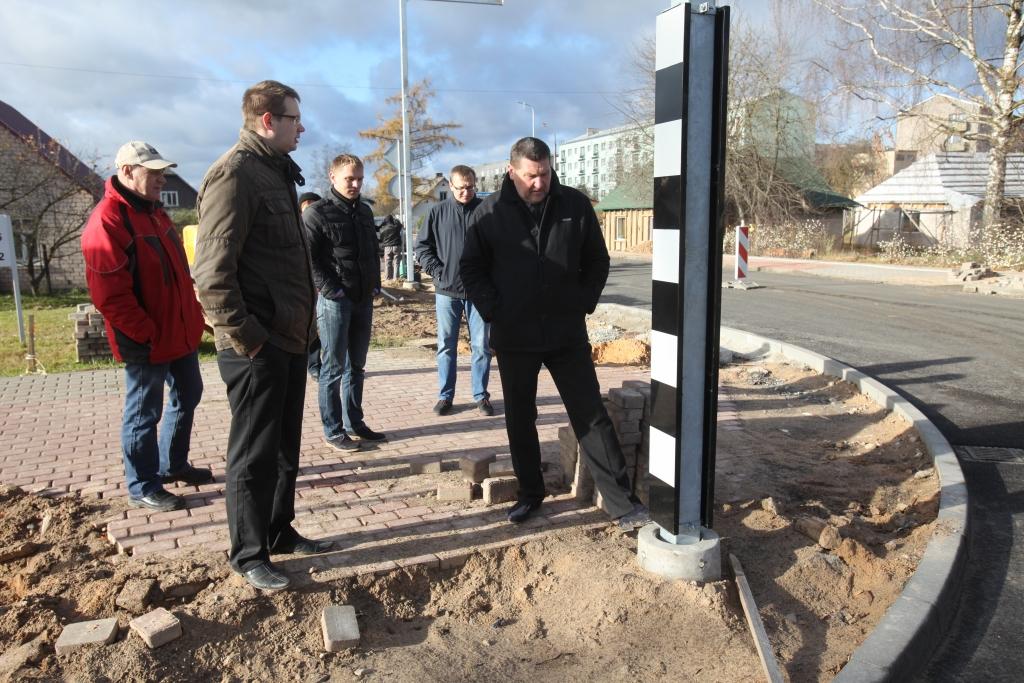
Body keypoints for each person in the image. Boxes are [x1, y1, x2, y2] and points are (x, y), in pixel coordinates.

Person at [460, 137, 649, 528]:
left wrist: (583, 301)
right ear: (512, 171)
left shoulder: (574, 205)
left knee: (590, 415)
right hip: (515, 335)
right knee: (520, 417)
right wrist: (495, 310)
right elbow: (471, 269)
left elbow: (598, 259)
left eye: (544, 173)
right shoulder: (489, 213)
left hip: (565, 332)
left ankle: (622, 503)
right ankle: (531, 494)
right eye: (531, 176)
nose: (539, 183)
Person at [193, 80, 334, 593]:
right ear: (268, 121)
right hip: (257, 345)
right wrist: (250, 337)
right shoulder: (234, 175)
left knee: (282, 447)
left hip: (288, 338)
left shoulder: (275, 172)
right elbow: (211, 276)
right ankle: (248, 552)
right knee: (252, 453)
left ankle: (278, 530)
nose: (303, 127)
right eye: (295, 118)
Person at [81, 141, 212, 513]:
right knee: (143, 413)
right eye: (152, 172)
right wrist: (147, 332)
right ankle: (142, 484)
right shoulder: (108, 220)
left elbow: (178, 275)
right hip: (146, 340)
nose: (161, 178)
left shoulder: (155, 212)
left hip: (179, 332)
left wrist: (193, 317)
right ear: (126, 172)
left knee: (189, 393)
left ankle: (173, 466)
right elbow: (110, 295)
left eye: (162, 171)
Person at [303, 153, 385, 452]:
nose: (355, 184)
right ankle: (333, 429)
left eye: (360, 179)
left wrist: (375, 284)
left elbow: (372, 251)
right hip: (335, 302)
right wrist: (330, 290)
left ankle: (355, 423)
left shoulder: (363, 211)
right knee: (333, 367)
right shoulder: (317, 213)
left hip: (363, 299)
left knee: (357, 366)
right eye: (350, 178)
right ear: (333, 176)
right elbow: (309, 259)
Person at [414, 165, 492, 417]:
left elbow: (500, 247)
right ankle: (445, 396)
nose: (466, 192)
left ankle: (480, 395)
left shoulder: (486, 211)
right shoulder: (437, 212)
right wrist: (437, 272)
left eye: (470, 187)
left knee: (481, 346)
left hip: (479, 292)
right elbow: (422, 247)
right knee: (446, 346)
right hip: (447, 291)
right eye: (461, 188)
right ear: (450, 185)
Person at [378, 214, 404, 280]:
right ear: (392, 220)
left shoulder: (382, 229)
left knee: (387, 263)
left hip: (387, 248)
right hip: (396, 246)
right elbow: (400, 224)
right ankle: (396, 279)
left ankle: (388, 278)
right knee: (396, 263)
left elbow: (381, 239)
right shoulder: (396, 226)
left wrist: (382, 224)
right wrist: (395, 219)